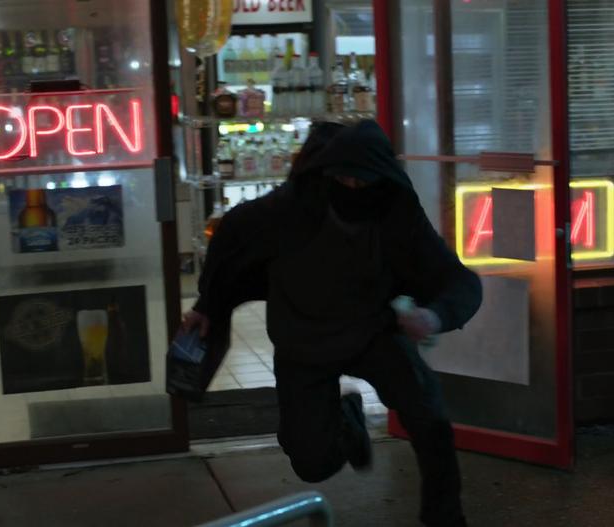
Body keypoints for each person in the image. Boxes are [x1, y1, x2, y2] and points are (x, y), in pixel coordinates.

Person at [183, 119, 482, 527]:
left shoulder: (395, 211)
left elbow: (457, 279)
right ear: (326, 176)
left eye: (363, 183)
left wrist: (434, 315)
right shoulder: (290, 210)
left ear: (381, 179)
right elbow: (233, 239)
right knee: (311, 462)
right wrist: (207, 305)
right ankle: (346, 422)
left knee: (429, 418)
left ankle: (444, 518)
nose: (353, 191)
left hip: (372, 333)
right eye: (344, 180)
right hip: (302, 343)